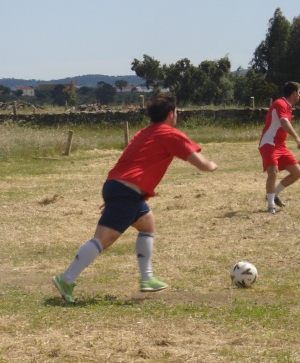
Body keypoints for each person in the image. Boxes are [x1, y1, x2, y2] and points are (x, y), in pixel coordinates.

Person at [52, 92, 218, 303]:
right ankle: (66, 278)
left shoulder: (142, 133)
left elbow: (129, 162)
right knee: (104, 239)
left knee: (147, 223)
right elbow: (201, 163)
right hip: (126, 192)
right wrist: (212, 165)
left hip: (118, 187)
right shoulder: (171, 134)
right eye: (176, 112)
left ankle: (147, 278)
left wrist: (115, 197)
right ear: (171, 114)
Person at [259, 81, 300, 214]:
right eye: (299, 92)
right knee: (273, 172)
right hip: (269, 143)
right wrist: (296, 137)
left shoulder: (287, 107)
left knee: (297, 173)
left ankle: (274, 194)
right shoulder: (280, 103)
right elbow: (284, 122)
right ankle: (270, 205)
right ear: (294, 93)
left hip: (280, 145)